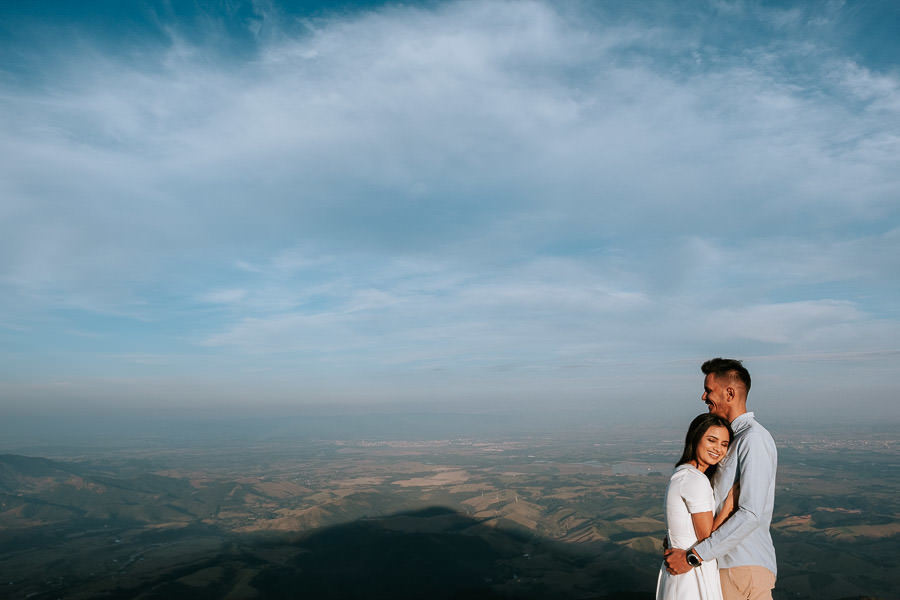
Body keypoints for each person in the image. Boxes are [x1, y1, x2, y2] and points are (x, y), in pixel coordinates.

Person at [664, 358, 778, 600]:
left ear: (729, 393)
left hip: (741, 568)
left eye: (708, 390)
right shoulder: (734, 440)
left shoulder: (752, 439)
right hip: (726, 567)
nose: (703, 397)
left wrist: (693, 556)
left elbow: (750, 514)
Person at [656, 413, 734, 600]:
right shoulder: (694, 480)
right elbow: (707, 538)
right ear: (695, 438)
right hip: (691, 575)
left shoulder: (682, 474)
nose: (718, 449)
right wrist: (729, 505)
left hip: (682, 572)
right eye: (712, 440)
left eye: (724, 444)